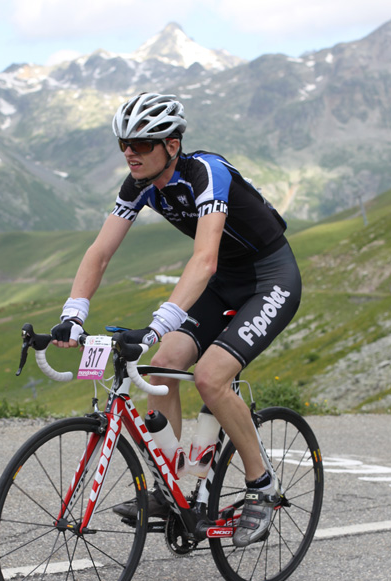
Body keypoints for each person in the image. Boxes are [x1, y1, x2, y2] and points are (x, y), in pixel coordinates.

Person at [51, 92, 302, 547]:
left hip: (269, 279)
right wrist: (73, 312)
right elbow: (100, 252)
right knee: (161, 366)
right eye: (124, 143)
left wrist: (159, 320)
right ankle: (170, 491)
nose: (131, 152)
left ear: (171, 144)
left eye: (142, 144)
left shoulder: (206, 173)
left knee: (210, 377)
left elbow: (203, 259)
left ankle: (262, 486)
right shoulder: (138, 183)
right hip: (224, 282)